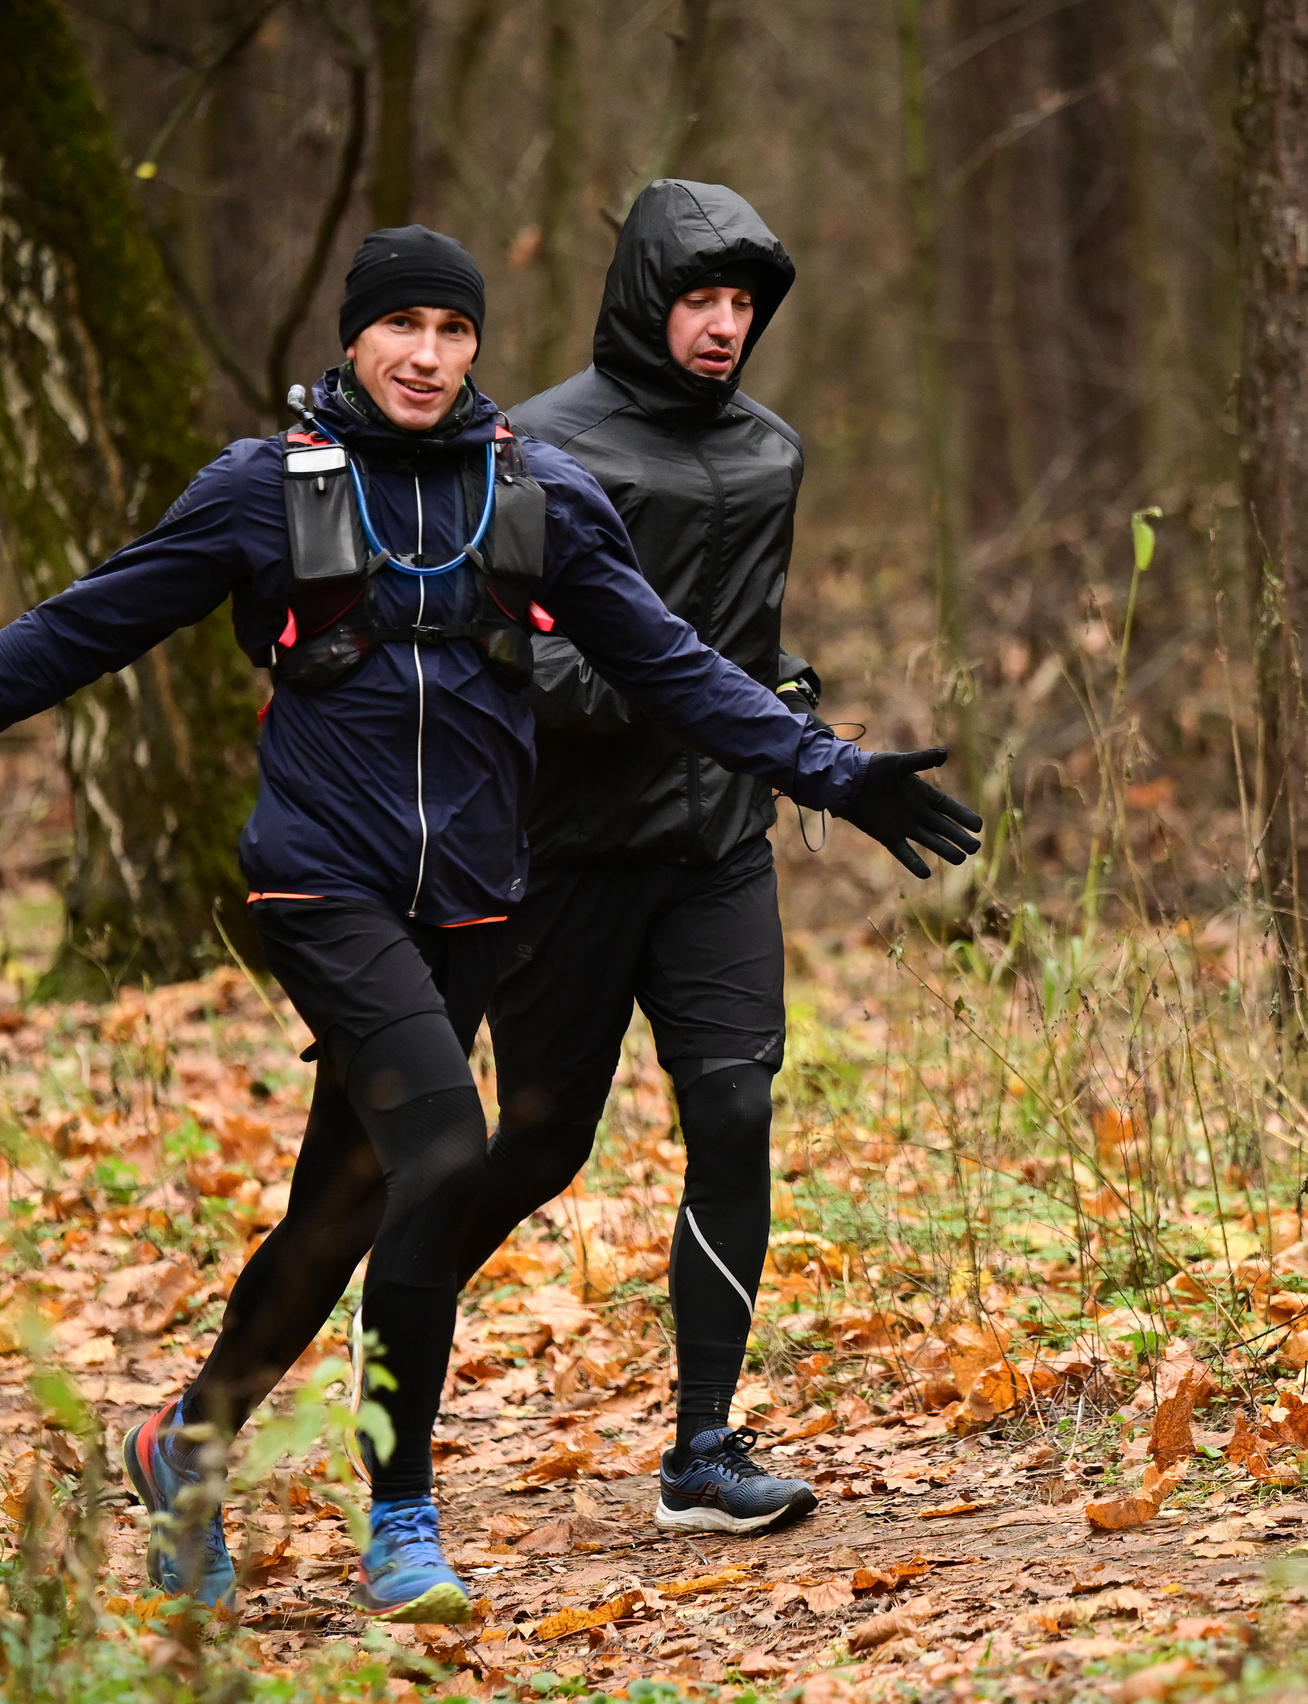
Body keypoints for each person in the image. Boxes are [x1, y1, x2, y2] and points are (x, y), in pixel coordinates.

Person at [0, 226, 983, 1620]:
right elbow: (82, 625)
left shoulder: (536, 492)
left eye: (452, 332)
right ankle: (404, 1514)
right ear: (353, 339)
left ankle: (184, 1444)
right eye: (400, 327)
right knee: (449, 1148)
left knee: (343, 1201)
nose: (426, 355)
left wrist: (835, 770)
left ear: (476, 347)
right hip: (321, 885)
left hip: (469, 899)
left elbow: (679, 668)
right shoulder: (262, 492)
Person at [429, 180, 837, 1538]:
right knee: (539, 1143)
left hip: (719, 847)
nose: (725, 327)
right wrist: (652, 694)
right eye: (701, 300)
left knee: (736, 1113)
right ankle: (395, 1304)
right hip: (573, 851)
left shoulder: (772, 453)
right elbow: (511, 650)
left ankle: (704, 1449)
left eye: (744, 305)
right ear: (646, 302)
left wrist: (784, 700)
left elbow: (744, 634)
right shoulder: (534, 445)